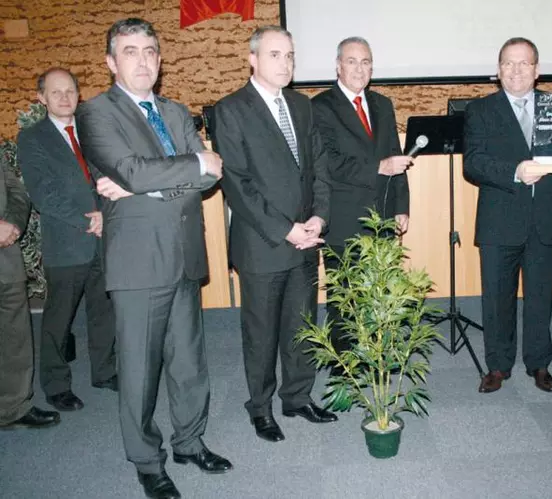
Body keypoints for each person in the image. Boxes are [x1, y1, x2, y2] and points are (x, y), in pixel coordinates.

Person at [76, 18, 232, 499]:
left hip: (184, 252)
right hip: (138, 262)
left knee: (189, 363)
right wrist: (161, 173)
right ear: (110, 62)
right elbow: (128, 168)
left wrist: (147, 182)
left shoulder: (177, 110)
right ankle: (147, 460)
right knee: (140, 372)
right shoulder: (96, 113)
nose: (143, 60)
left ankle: (189, 441)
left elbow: (212, 173)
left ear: (160, 60)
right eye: (130, 51)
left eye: (150, 51)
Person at [212, 25, 337, 444]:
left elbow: (318, 167)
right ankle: (260, 407)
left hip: (307, 239)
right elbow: (237, 184)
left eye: (289, 55)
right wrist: (286, 230)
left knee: (303, 325)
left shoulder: (302, 107)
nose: (285, 63)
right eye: (275, 55)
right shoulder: (230, 109)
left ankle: (297, 396)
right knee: (261, 333)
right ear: (252, 59)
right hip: (264, 245)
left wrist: (319, 218)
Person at [463, 37, 552, 394]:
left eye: (524, 63)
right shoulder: (480, 110)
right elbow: (474, 164)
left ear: (537, 70)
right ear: (498, 71)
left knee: (541, 297)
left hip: (545, 219)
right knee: (497, 299)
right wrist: (515, 171)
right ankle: (497, 366)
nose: (516, 70)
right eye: (508, 64)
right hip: (500, 221)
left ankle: (539, 363)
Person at [17, 68, 117, 413]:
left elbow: (110, 175)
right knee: (58, 319)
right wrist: (84, 222)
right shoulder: (32, 138)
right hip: (67, 242)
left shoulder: (91, 132)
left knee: (104, 310)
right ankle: (56, 385)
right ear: (41, 98)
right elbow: (43, 193)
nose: (64, 97)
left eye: (70, 90)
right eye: (55, 92)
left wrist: (106, 213)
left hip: (103, 236)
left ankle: (105, 372)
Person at [312, 36, 410, 358]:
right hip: (343, 220)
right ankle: (345, 368)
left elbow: (395, 155)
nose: (359, 68)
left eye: (366, 62)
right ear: (338, 65)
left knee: (377, 295)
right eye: (352, 61)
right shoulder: (320, 106)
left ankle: (375, 359)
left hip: (380, 216)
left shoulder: (383, 104)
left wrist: (401, 205)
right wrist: (380, 166)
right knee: (345, 299)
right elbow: (330, 162)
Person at [0, 165, 61, 431]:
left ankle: (12, 408)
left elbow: (15, 190)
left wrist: (12, 223)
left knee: (15, 338)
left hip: (6, 257)